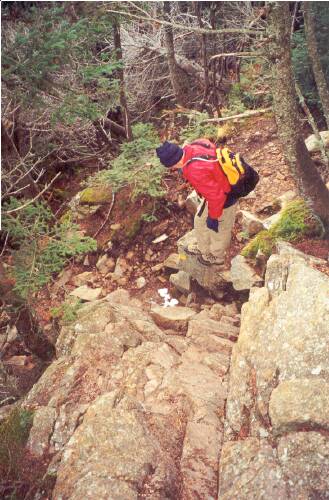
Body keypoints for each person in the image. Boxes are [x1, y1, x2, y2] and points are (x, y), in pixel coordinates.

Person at [156, 138, 238, 264]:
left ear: (173, 162)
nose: (172, 169)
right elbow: (208, 145)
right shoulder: (194, 146)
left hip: (227, 195)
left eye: (171, 166)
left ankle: (217, 257)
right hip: (215, 189)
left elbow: (217, 197)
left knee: (220, 229)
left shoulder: (195, 170)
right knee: (200, 221)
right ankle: (203, 248)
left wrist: (214, 217)